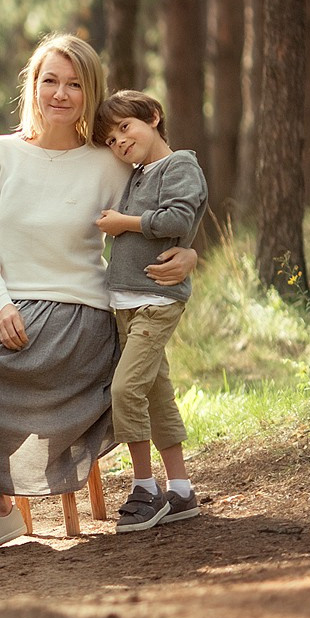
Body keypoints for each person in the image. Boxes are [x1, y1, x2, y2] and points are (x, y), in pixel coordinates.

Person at [0, 35, 195, 557]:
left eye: (75, 84)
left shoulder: (110, 162)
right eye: (50, 80)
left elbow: (165, 214)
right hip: (4, 304)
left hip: (77, 317)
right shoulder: (2, 153)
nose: (61, 93)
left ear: (91, 92)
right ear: (33, 85)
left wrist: (191, 253)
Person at [94, 89, 208, 533]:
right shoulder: (137, 174)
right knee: (157, 391)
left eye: (126, 128)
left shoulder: (180, 164)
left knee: (125, 390)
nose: (120, 141)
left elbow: (180, 218)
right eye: (111, 139)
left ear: (154, 117)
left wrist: (125, 224)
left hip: (157, 299)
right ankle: (180, 489)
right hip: (126, 299)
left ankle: (145, 487)